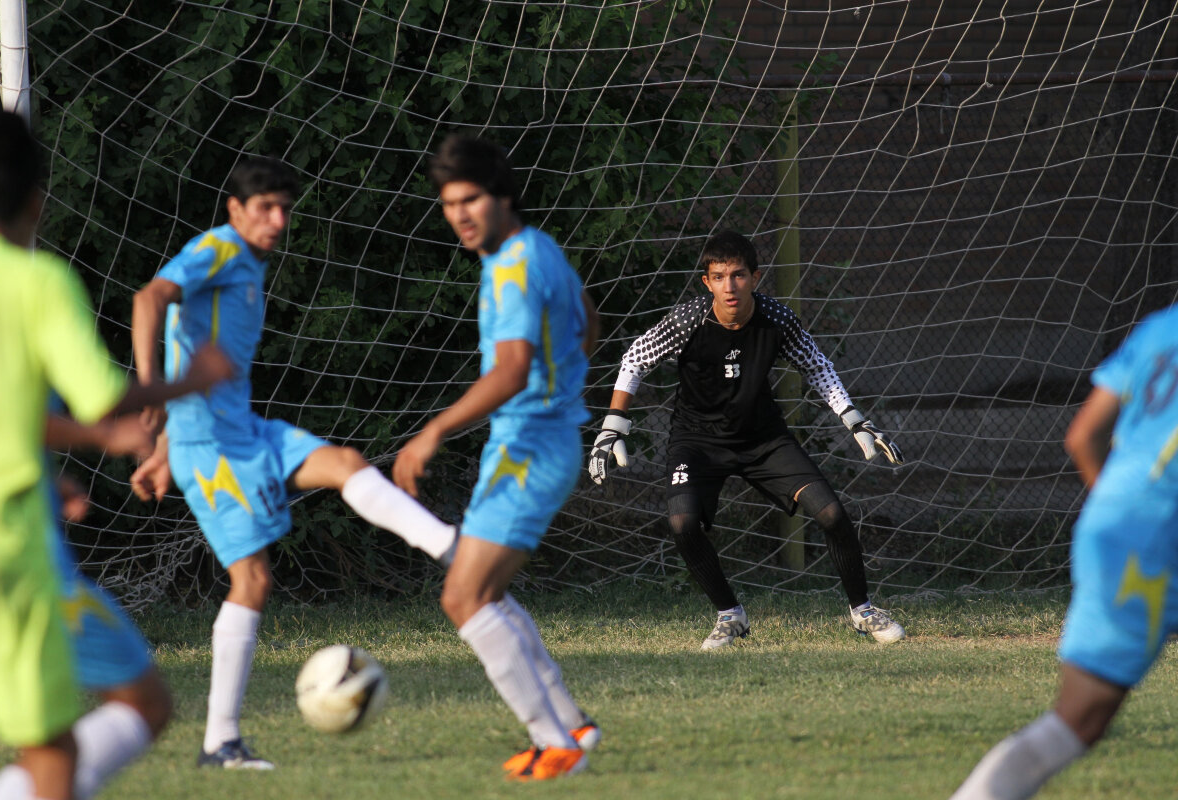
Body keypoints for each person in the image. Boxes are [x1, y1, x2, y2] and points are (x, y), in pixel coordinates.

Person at [130, 155, 459, 770]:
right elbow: (150, 300)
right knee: (252, 581)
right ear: (235, 209)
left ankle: (449, 548)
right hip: (215, 449)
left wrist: (164, 449)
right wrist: (151, 394)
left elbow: (186, 350)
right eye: (265, 208)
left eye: (285, 209)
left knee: (345, 463)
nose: (277, 220)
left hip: (243, 431)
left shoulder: (248, 264)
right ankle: (220, 741)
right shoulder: (218, 249)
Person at [0, 109, 231, 800]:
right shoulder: (35, 283)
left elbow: (6, 413)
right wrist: (191, 381)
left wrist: (58, 464)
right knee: (57, 748)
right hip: (11, 550)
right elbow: (102, 397)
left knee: (100, 721)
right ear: (36, 201)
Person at [393, 134, 600, 781]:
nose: (459, 214)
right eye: (450, 203)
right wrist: (563, 386)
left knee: (464, 596)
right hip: (532, 443)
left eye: (471, 199)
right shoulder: (539, 249)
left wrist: (432, 431)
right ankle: (571, 725)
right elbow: (589, 322)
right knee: (482, 591)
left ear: (503, 196)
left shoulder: (513, 266)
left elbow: (511, 370)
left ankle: (555, 743)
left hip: (530, 448)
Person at [588, 231, 906, 649]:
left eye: (738, 275)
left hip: (763, 438)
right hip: (697, 441)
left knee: (831, 513)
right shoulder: (688, 321)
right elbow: (635, 357)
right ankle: (730, 615)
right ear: (707, 282)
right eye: (719, 277)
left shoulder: (776, 319)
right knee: (682, 523)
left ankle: (863, 611)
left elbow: (816, 365)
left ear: (755, 277)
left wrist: (854, 419)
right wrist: (613, 425)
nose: (730, 286)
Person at [949, 301, 1178, 799]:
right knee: (1081, 718)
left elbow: (1083, 437)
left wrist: (1119, 511)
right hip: (1154, 542)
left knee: (1078, 719)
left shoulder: (1162, 328)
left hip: (1118, 525)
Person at [0, 411, 171, 800]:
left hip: (19, 560)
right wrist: (108, 433)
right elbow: (8, 413)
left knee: (55, 746)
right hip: (20, 568)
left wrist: (43, 482)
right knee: (62, 742)